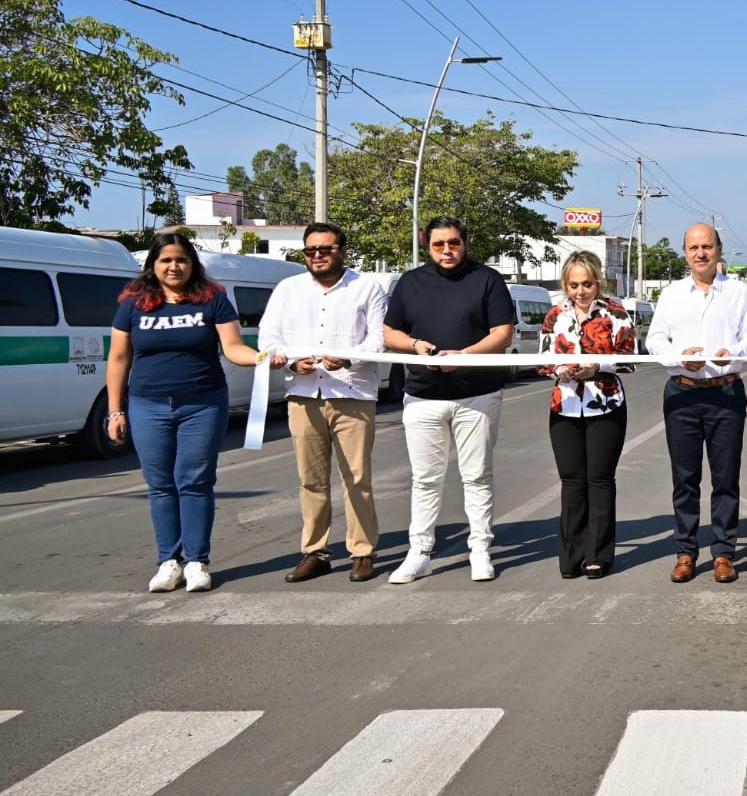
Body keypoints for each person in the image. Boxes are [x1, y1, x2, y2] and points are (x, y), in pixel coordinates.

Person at [105, 233, 263, 593]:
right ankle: (168, 561)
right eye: (165, 260)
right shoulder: (133, 305)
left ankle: (196, 561)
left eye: (181, 260)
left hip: (202, 404)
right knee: (160, 485)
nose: (173, 266)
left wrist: (263, 359)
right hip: (147, 404)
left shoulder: (213, 300)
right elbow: (118, 359)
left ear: (192, 264)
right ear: (153, 265)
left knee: (194, 482)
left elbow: (234, 348)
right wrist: (115, 412)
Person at [382, 216, 515, 585]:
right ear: (428, 244)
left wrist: (466, 354)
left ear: (465, 242)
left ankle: (480, 550)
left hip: (479, 394)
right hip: (423, 396)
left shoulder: (487, 279)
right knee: (425, 479)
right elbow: (390, 331)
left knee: (476, 477)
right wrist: (413, 345)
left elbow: (503, 333)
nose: (447, 250)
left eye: (453, 243)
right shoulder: (410, 282)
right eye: (439, 244)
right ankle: (420, 552)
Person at [258, 223, 389, 584]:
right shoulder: (288, 289)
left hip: (352, 393)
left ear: (342, 250)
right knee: (311, 481)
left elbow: (378, 340)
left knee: (357, 479)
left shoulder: (367, 288)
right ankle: (315, 552)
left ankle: (362, 552)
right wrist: (288, 360)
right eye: (311, 250)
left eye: (326, 249)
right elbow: (269, 337)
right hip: (303, 394)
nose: (317, 255)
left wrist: (348, 358)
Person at [646, 223, 747, 583]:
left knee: (726, 479)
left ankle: (724, 552)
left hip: (725, 393)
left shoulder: (739, 292)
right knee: (686, 480)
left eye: (707, 246)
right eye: (694, 247)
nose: (701, 253)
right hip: (682, 393)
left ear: (719, 249)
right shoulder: (671, 294)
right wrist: (680, 357)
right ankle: (685, 552)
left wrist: (735, 353)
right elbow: (654, 340)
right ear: (685, 253)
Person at [542, 250, 636, 579]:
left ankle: (598, 555)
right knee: (571, 482)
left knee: (599, 480)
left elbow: (629, 356)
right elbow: (544, 359)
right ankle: (571, 556)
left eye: (587, 284)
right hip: (564, 405)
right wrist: (561, 370)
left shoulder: (616, 312)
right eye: (573, 285)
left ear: (597, 283)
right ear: (565, 285)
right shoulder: (555, 315)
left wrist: (598, 365)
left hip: (605, 403)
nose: (580, 292)